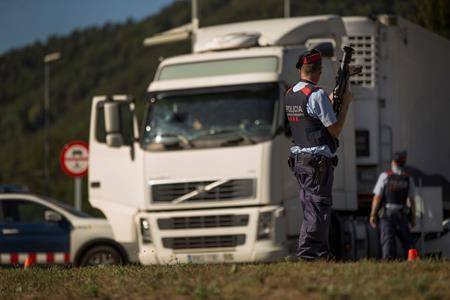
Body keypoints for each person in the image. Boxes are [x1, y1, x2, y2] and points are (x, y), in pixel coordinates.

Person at [285, 49, 353, 260]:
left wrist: (342, 84)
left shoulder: (291, 93)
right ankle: (310, 254)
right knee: (319, 209)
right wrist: (346, 105)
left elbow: (314, 109)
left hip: (300, 162)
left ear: (302, 69)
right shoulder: (316, 95)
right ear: (319, 71)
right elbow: (334, 129)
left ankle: (319, 254)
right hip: (317, 164)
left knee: (310, 208)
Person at [369, 151, 416, 260]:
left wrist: (372, 215)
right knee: (408, 243)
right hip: (402, 215)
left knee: (388, 243)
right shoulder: (409, 179)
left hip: (387, 216)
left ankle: (388, 264)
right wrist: (413, 218)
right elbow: (412, 201)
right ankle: (412, 263)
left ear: (393, 162)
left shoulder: (385, 176)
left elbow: (377, 197)